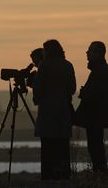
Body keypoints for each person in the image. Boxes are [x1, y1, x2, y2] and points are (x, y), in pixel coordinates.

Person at [33, 39, 76, 180]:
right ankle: (64, 176)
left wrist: (36, 97)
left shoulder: (44, 66)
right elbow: (72, 89)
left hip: (47, 114)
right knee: (63, 149)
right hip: (63, 113)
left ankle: (48, 178)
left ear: (48, 51)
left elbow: (38, 89)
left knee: (47, 150)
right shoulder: (68, 65)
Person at [74, 41, 108, 174]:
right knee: (95, 146)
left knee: (95, 147)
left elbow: (95, 95)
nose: (87, 53)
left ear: (97, 53)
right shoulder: (100, 69)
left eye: (90, 51)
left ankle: (100, 174)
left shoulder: (100, 70)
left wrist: (85, 93)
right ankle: (100, 173)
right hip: (96, 117)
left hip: (95, 117)